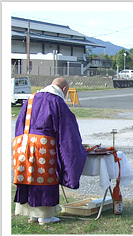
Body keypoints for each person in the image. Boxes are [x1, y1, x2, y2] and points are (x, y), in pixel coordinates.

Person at [13, 77, 87, 225]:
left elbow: (20, 123)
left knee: (29, 177)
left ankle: (32, 214)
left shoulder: (31, 98)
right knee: (45, 179)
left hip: (25, 145)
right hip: (44, 148)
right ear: (64, 89)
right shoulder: (57, 101)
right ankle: (45, 216)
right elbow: (67, 132)